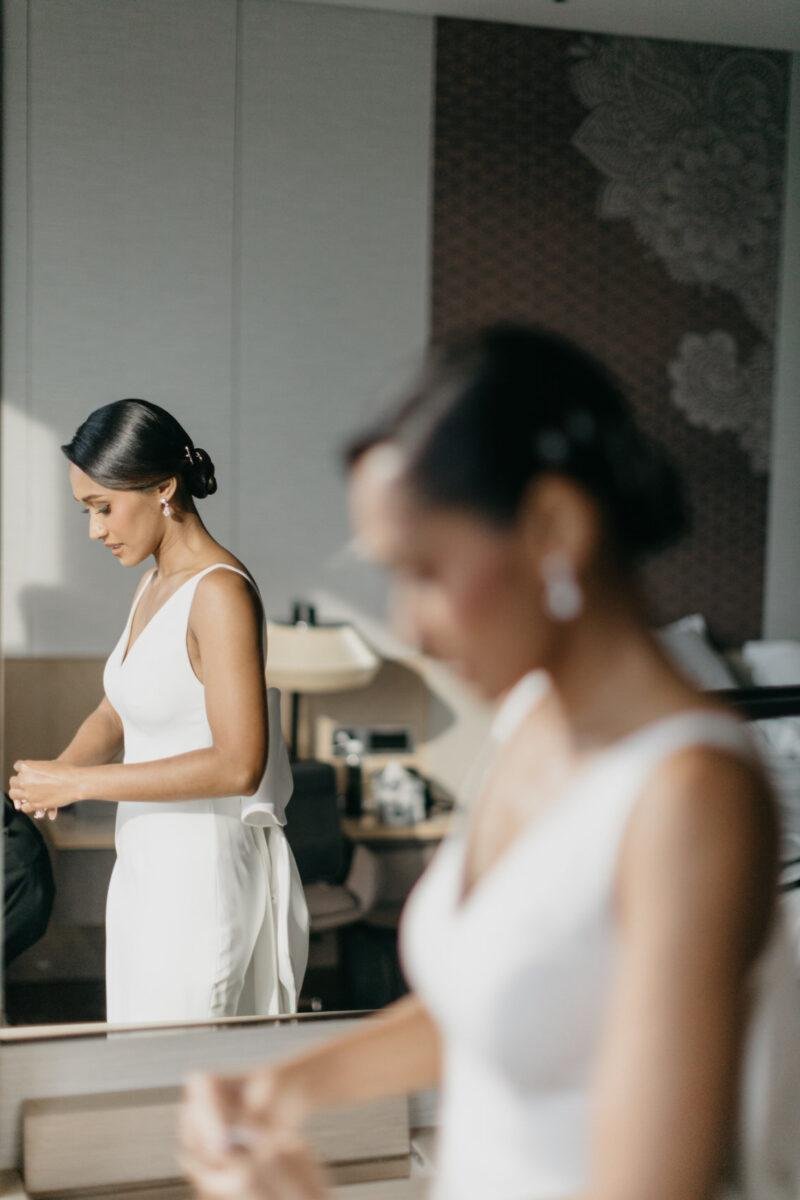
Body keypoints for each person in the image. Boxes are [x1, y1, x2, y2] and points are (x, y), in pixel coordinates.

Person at [179, 325, 800, 1199]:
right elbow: (507, 1003)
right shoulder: (532, 719)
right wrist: (286, 1086)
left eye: (424, 569)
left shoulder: (690, 795)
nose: (411, 623)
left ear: (553, 526)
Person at [8, 399, 308, 1023]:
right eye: (87, 511)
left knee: (184, 1080)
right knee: (143, 1076)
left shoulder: (220, 592)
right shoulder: (154, 583)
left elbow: (238, 765)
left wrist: (82, 782)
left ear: (164, 488)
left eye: (102, 508)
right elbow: (116, 711)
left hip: (200, 877)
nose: (95, 530)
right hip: (146, 866)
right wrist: (56, 775)